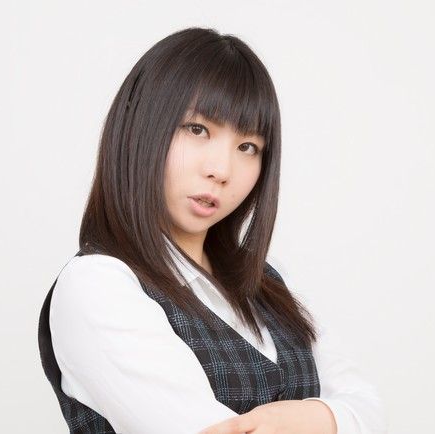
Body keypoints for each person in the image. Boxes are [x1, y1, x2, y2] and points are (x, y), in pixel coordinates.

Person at [37, 26, 388, 434]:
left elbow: (369, 409)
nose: (221, 170)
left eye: (248, 147)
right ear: (140, 126)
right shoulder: (98, 285)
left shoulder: (268, 283)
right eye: (197, 129)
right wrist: (332, 419)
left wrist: (307, 419)